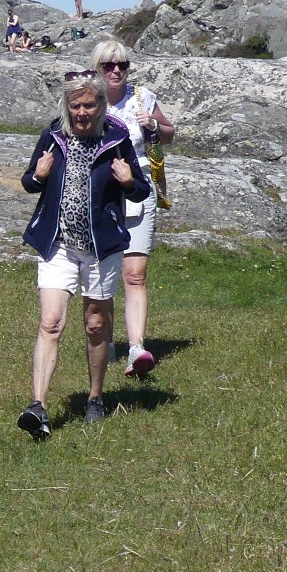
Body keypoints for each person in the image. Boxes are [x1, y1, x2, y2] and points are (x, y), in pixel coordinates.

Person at [15, 71, 150, 437]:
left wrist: (127, 182)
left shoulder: (116, 137)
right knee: (51, 323)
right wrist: (39, 176)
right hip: (57, 243)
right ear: (66, 107)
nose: (82, 112)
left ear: (101, 106)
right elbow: (29, 181)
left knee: (95, 325)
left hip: (101, 246)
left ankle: (94, 397)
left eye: (89, 105)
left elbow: (140, 189)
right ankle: (38, 406)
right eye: (75, 106)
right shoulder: (53, 135)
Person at [93, 38, 175, 375]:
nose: (116, 71)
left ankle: (136, 347)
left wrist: (153, 126)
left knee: (135, 273)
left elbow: (169, 133)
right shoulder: (88, 101)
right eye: (109, 65)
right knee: (104, 272)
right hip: (101, 192)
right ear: (97, 68)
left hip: (139, 187)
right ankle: (105, 342)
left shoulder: (143, 98)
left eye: (122, 65)